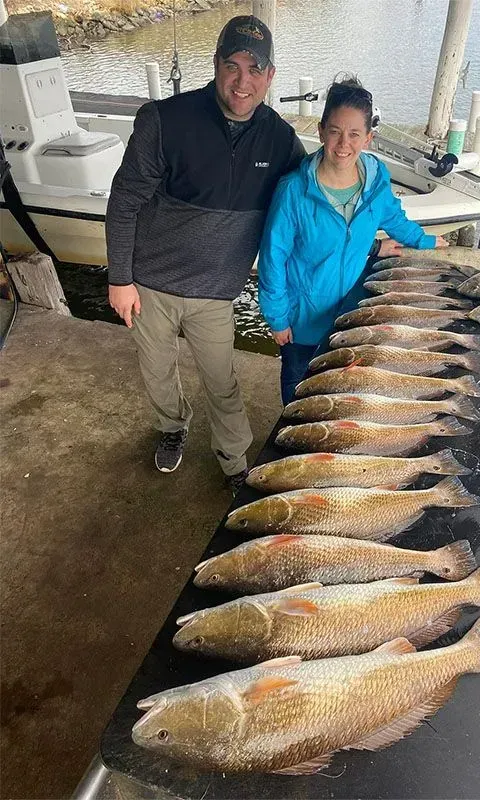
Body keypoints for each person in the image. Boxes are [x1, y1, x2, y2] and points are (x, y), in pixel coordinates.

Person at [105, 15, 307, 493]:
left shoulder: (280, 140)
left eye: (254, 70)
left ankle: (234, 460)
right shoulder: (164, 120)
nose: (242, 82)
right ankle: (172, 427)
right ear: (215, 64)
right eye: (232, 65)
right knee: (157, 372)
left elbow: (311, 202)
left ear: (270, 76)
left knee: (223, 382)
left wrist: (371, 234)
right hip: (149, 285)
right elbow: (124, 200)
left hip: (215, 293)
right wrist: (119, 279)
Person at [258, 76, 449, 405]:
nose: (343, 143)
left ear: (368, 138)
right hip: (303, 322)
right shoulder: (293, 191)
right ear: (321, 132)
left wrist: (426, 241)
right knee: (298, 393)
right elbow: (273, 260)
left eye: (354, 134)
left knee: (343, 391)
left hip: (352, 315)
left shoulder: (376, 181)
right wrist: (277, 318)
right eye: (335, 131)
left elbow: (394, 218)